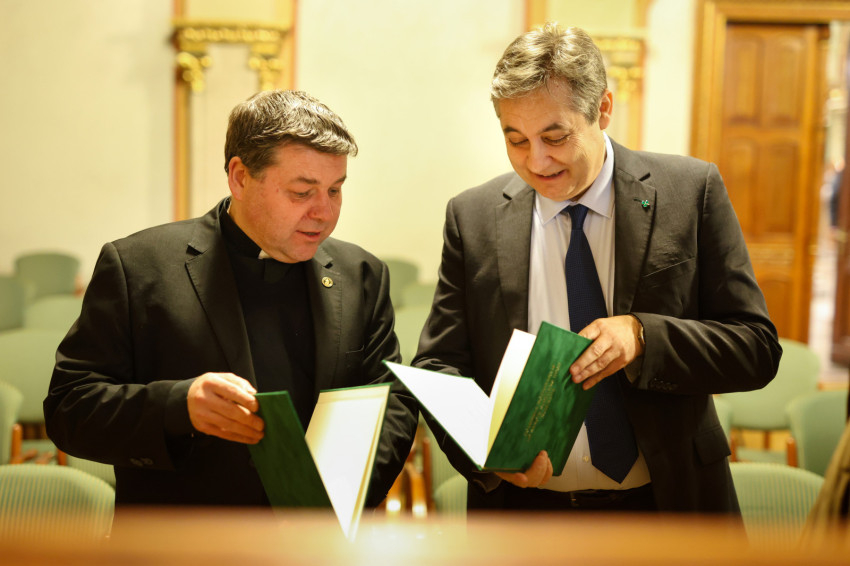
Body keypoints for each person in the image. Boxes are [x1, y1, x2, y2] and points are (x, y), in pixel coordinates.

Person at [412, 24, 782, 513]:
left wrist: (643, 338)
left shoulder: (689, 192)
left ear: (603, 109)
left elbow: (755, 347)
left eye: (555, 136)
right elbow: (439, 366)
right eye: (516, 140)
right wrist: (484, 452)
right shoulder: (473, 217)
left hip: (667, 506)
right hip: (525, 514)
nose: (537, 161)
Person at [44, 90, 417, 507]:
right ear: (240, 177)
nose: (324, 212)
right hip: (184, 533)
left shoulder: (361, 274)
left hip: (321, 534)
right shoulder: (138, 266)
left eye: (335, 190)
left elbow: (393, 403)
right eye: (302, 192)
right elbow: (69, 408)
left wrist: (345, 498)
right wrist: (177, 406)